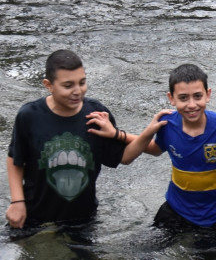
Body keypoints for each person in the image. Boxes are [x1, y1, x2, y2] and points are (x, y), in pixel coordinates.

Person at [6, 49, 147, 230]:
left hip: (83, 220)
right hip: (35, 217)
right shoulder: (29, 116)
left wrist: (149, 132)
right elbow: (15, 159)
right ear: (48, 85)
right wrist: (17, 201)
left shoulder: (96, 115)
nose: (77, 91)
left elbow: (124, 157)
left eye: (82, 82)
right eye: (68, 85)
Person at [121, 63, 216, 230]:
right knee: (146, 253)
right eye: (183, 98)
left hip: (214, 216)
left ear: (208, 94)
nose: (191, 105)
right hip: (175, 209)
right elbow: (155, 148)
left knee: (203, 256)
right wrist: (117, 134)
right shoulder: (168, 124)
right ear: (171, 98)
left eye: (197, 96)